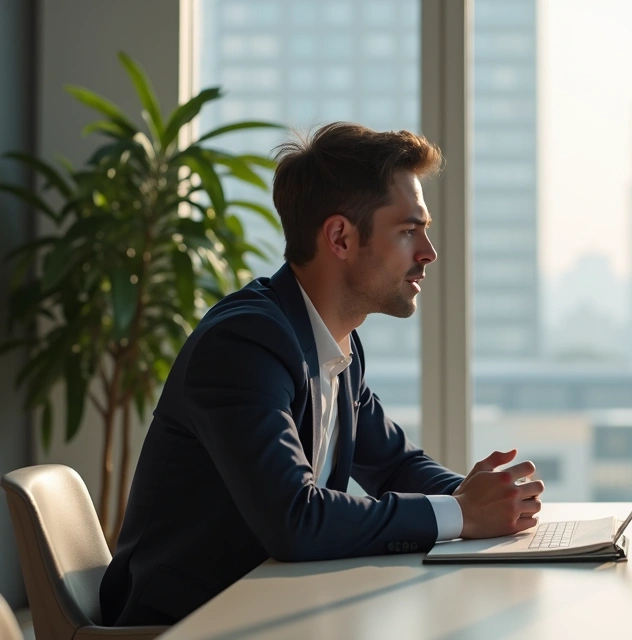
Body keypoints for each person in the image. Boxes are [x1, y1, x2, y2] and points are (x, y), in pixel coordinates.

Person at [100, 123, 545, 625]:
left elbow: (394, 465)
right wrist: (464, 513)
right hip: (186, 624)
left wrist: (484, 495)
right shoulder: (245, 343)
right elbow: (296, 518)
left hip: (272, 612)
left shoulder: (334, 342)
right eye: (407, 230)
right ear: (340, 237)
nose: (428, 252)